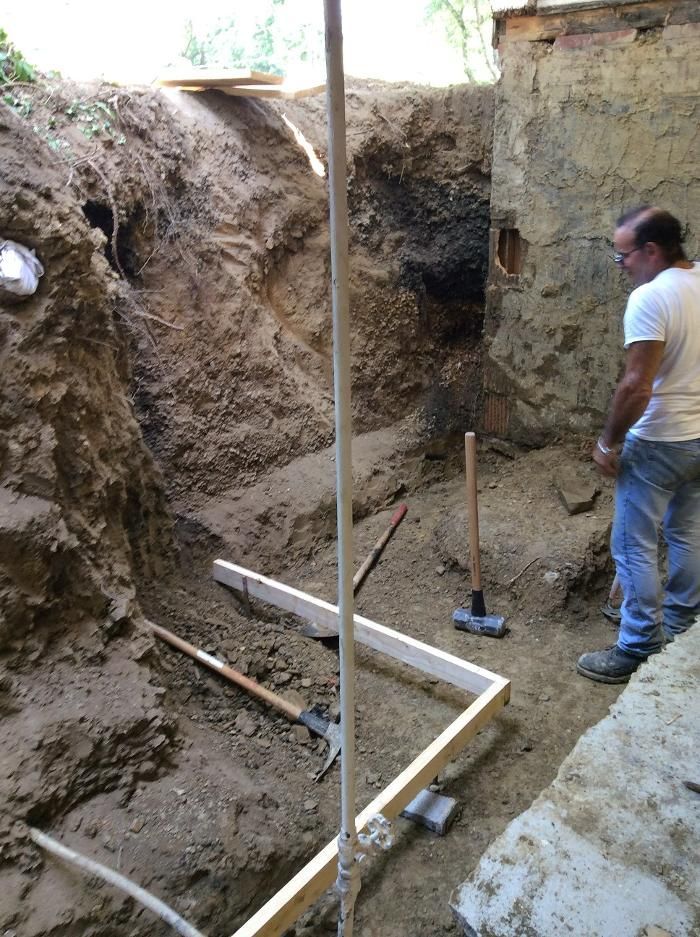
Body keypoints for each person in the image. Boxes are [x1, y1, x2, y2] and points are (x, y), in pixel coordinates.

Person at [577, 206, 700, 683]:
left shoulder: (651, 298)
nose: (620, 264)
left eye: (622, 255)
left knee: (634, 546)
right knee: (688, 533)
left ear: (651, 251)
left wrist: (608, 442)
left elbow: (636, 385)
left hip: (660, 441)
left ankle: (638, 645)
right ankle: (682, 627)